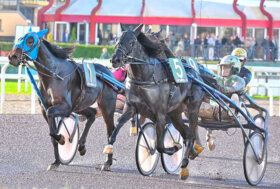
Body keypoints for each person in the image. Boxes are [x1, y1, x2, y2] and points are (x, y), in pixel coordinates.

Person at [198, 55, 246, 150]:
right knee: (200, 102)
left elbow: (234, 88)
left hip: (227, 112)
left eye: (226, 67)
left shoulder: (240, 80)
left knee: (235, 96)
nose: (224, 69)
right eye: (222, 66)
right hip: (214, 110)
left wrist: (220, 88)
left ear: (234, 68)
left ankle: (232, 110)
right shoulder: (217, 79)